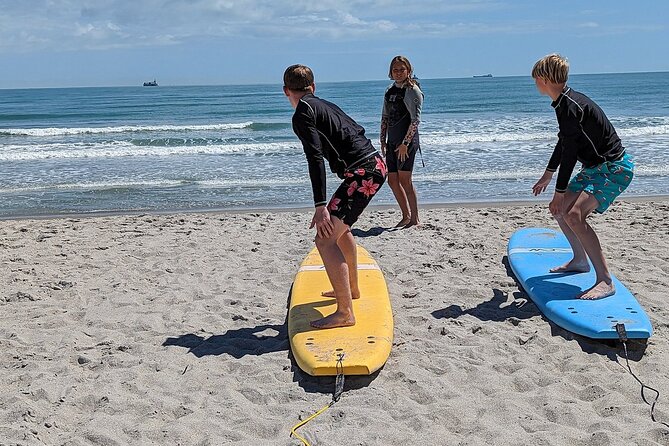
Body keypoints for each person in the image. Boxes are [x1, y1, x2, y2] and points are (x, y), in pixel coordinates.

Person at [283, 64, 387, 329]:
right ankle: (351, 289)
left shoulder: (302, 114)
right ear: (313, 88)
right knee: (341, 231)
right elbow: (357, 130)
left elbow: (314, 157)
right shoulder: (324, 105)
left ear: (286, 92)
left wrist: (320, 206)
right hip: (375, 165)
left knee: (324, 239)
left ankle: (344, 313)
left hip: (362, 174)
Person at [531, 53, 634, 300]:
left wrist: (559, 191)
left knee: (573, 214)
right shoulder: (564, 103)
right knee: (560, 210)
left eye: (535, 78)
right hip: (595, 169)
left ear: (544, 79)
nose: (534, 83)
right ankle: (580, 260)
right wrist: (548, 174)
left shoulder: (570, 106)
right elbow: (565, 143)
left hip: (614, 169)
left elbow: (570, 154)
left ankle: (605, 281)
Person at [380, 55, 424, 228]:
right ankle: (405, 216)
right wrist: (383, 139)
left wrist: (405, 144)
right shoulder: (389, 91)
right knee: (392, 181)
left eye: (402, 69)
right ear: (391, 72)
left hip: (407, 143)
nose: (398, 73)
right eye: (395, 70)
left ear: (409, 70)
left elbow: (415, 121)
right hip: (392, 141)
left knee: (405, 181)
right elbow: (385, 116)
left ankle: (414, 218)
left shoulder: (413, 90)